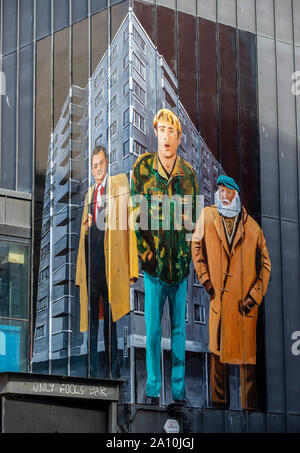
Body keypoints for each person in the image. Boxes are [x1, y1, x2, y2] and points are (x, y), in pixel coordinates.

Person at [131, 108, 199, 405]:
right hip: (154, 269)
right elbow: (136, 216)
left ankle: (180, 393)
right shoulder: (143, 169)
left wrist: (187, 259)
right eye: (162, 130)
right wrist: (145, 254)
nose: (167, 136)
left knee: (179, 331)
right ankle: (153, 390)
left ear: (179, 138)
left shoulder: (189, 176)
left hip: (180, 270)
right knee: (154, 331)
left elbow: (193, 223)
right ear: (156, 133)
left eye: (172, 131)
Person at [191, 174, 271, 410]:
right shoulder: (207, 216)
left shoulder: (253, 228)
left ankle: (250, 413)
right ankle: (218, 409)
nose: (224, 196)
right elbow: (196, 246)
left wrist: (254, 297)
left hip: (243, 308)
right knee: (217, 360)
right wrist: (205, 279)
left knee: (247, 367)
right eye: (221, 191)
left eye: (229, 191)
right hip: (219, 303)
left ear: (236, 194)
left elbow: (266, 266)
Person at [76, 146, 138, 378]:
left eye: (101, 163)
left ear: (107, 163)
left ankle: (113, 371)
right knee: (92, 325)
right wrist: (86, 227)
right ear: (91, 169)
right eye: (95, 165)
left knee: (111, 324)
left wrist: (132, 269)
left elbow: (130, 226)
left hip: (110, 269)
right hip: (92, 269)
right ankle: (92, 373)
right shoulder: (88, 195)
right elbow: (82, 234)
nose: (99, 168)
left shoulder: (119, 185)